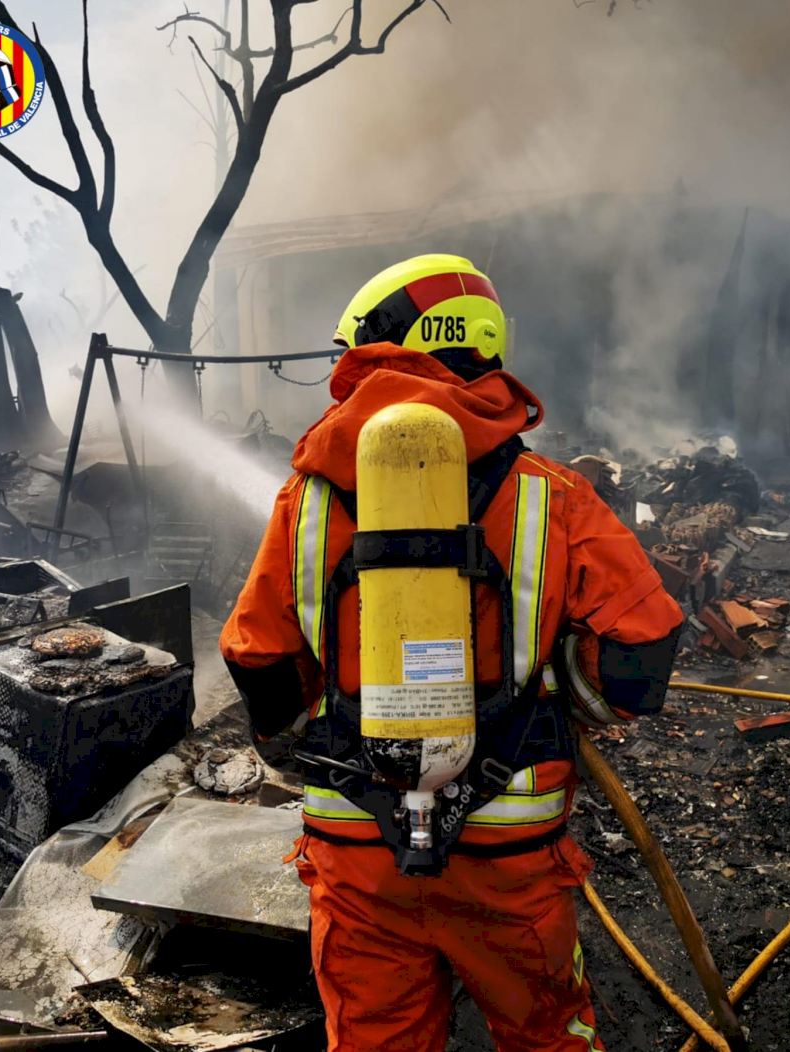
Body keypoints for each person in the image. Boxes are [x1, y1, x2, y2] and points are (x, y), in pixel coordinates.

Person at [220, 254, 683, 1052]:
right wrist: (558, 696)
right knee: (546, 1036)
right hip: (509, 847)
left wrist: (311, 743)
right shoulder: (550, 494)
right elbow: (643, 649)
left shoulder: (307, 498)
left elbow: (257, 656)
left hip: (358, 847)